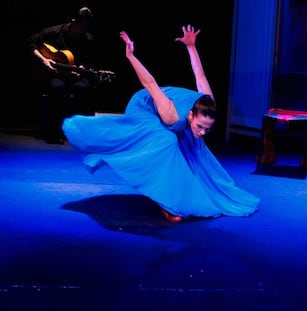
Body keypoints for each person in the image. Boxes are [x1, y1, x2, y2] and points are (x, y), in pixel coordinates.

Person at [62, 25, 260, 222]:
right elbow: (149, 83)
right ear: (191, 116)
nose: (202, 132)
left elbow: (200, 75)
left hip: (165, 109)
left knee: (194, 149)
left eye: (207, 129)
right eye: (200, 127)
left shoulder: (207, 103)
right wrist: (131, 56)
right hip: (144, 107)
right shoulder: (171, 114)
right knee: (166, 142)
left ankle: (182, 195)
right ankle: (166, 202)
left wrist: (191, 47)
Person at [26, 6, 98, 144]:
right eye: (82, 26)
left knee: (82, 88)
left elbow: (90, 61)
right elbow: (30, 41)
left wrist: (82, 67)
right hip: (55, 74)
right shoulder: (54, 31)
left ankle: (78, 131)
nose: (84, 30)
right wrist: (44, 59)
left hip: (76, 75)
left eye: (87, 27)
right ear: (73, 22)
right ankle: (53, 130)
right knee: (57, 88)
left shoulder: (87, 39)